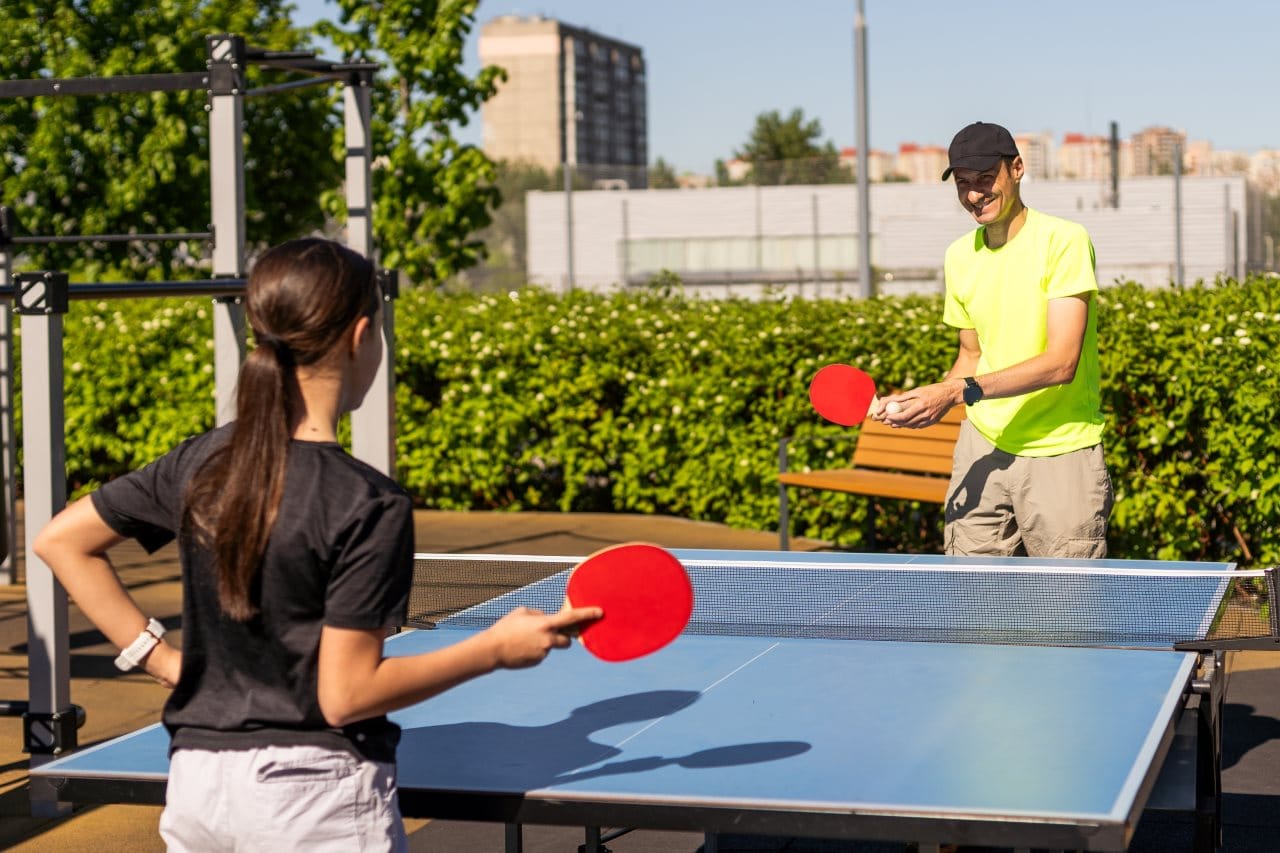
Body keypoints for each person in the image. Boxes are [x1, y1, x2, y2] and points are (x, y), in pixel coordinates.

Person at [33, 238, 600, 851]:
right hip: (312, 798)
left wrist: (162, 659)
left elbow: (62, 541)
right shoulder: (368, 502)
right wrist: (492, 648)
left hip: (198, 785)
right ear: (361, 337)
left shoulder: (199, 462)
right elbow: (345, 695)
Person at [873, 121, 1112, 558]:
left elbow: (1061, 362)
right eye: (963, 184)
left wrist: (957, 391)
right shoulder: (959, 256)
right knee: (971, 600)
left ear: (1017, 169)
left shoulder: (1064, 241)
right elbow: (971, 356)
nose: (973, 194)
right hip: (982, 445)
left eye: (985, 180)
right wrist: (923, 399)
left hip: (1059, 449)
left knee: (1068, 609)